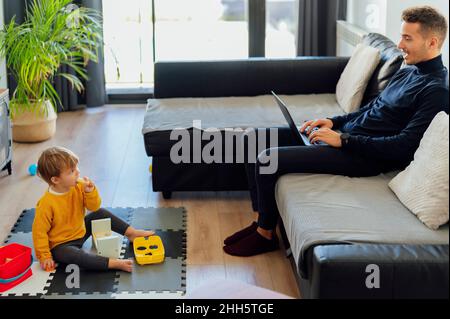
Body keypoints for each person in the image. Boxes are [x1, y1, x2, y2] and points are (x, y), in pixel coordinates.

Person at [223, 6, 449, 257]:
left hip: (365, 157)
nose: (399, 44)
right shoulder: (407, 71)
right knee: (251, 140)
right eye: (401, 36)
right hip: (345, 138)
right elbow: (371, 108)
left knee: (268, 159)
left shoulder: (437, 90)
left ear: (432, 42)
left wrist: (343, 140)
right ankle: (261, 221)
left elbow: (403, 146)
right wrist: (333, 122)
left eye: (408, 38)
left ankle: (265, 235)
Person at [32, 146, 154, 272]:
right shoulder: (46, 204)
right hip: (61, 246)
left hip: (80, 232)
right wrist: (45, 256)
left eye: (76, 168)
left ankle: (131, 233)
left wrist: (90, 192)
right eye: (72, 171)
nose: (78, 173)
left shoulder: (78, 187)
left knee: (99, 213)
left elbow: (94, 207)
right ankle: (112, 263)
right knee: (77, 256)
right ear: (55, 180)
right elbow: (39, 232)